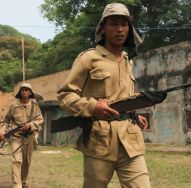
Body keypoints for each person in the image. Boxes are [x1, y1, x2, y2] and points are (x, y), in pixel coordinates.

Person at [57, 3, 151, 188]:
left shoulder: (127, 60)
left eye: (124, 24)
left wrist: (132, 114)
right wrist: (93, 107)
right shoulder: (88, 58)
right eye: (114, 24)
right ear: (103, 28)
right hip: (100, 140)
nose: (120, 29)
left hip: (130, 139)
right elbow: (65, 95)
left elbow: (122, 97)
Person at [0, 83, 44, 188]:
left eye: (27, 90)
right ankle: (17, 184)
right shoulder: (13, 106)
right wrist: (2, 131)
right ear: (20, 92)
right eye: (22, 90)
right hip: (16, 137)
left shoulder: (34, 106)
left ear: (30, 93)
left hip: (29, 138)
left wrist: (31, 125)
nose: (24, 91)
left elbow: (40, 119)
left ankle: (23, 182)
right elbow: (5, 121)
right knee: (16, 160)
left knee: (26, 162)